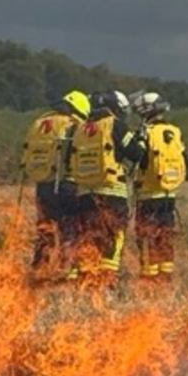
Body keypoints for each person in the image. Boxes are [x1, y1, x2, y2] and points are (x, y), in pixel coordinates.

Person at [69, 90, 145, 282]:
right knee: (112, 239)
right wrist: (141, 140)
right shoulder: (115, 125)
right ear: (115, 109)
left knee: (88, 240)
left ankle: (87, 284)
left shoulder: (80, 128)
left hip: (85, 195)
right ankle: (106, 285)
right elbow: (137, 154)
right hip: (112, 194)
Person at [20, 90, 90, 279]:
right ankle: (66, 270)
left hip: (43, 185)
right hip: (67, 183)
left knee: (45, 229)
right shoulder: (74, 125)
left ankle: (38, 269)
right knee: (70, 228)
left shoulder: (39, 123)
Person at [130, 92, 188, 279]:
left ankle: (149, 278)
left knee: (147, 238)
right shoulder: (175, 131)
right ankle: (166, 277)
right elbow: (186, 161)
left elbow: (136, 157)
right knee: (165, 237)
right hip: (169, 194)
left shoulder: (145, 132)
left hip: (147, 195)